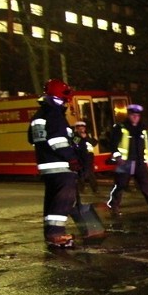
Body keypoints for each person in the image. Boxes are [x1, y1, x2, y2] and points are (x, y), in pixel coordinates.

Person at [27, 78, 81, 248]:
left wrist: (75, 137)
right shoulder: (54, 113)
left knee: (52, 198)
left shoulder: (39, 114)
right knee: (64, 198)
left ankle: (50, 233)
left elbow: (31, 138)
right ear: (61, 96)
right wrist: (71, 157)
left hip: (46, 166)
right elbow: (58, 140)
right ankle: (56, 234)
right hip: (60, 165)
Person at [106, 104, 148, 216]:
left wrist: (147, 160)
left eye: (137, 116)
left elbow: (145, 146)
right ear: (128, 115)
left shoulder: (142, 129)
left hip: (139, 161)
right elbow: (113, 144)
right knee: (121, 184)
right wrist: (118, 157)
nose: (135, 118)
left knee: (145, 184)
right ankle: (113, 205)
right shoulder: (121, 128)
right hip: (125, 161)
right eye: (133, 115)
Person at [72, 121, 99, 194]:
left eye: (83, 128)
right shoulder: (75, 136)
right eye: (79, 128)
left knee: (89, 172)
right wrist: (81, 137)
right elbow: (75, 144)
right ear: (77, 129)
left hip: (89, 156)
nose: (81, 130)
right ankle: (81, 189)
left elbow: (94, 143)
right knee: (82, 173)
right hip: (80, 157)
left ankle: (94, 189)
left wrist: (86, 137)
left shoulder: (88, 135)